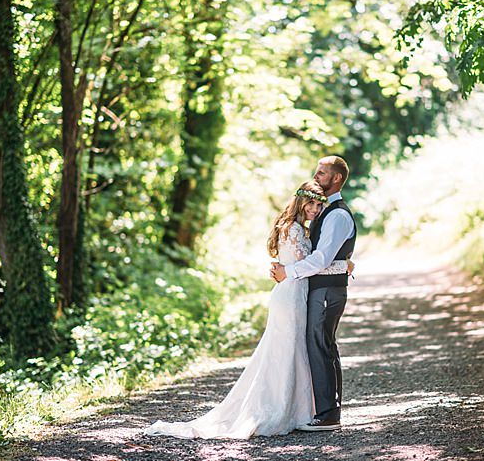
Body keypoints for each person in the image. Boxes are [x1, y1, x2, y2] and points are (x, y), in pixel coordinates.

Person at [144, 180, 342, 439]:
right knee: (285, 350)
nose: (315, 210)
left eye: (319, 205)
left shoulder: (296, 227)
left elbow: (296, 266)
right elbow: (309, 265)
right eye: (312, 203)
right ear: (300, 201)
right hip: (290, 296)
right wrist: (342, 266)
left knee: (294, 350)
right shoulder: (292, 230)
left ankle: (300, 409)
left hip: (296, 293)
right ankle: (279, 409)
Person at [271, 155, 356, 432]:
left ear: (336, 178)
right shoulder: (324, 212)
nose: (316, 176)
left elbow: (320, 259)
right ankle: (326, 411)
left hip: (328, 292)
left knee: (320, 346)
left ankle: (329, 415)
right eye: (317, 172)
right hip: (320, 290)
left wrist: (288, 272)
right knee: (322, 346)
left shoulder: (338, 215)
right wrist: (343, 263)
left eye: (322, 173)